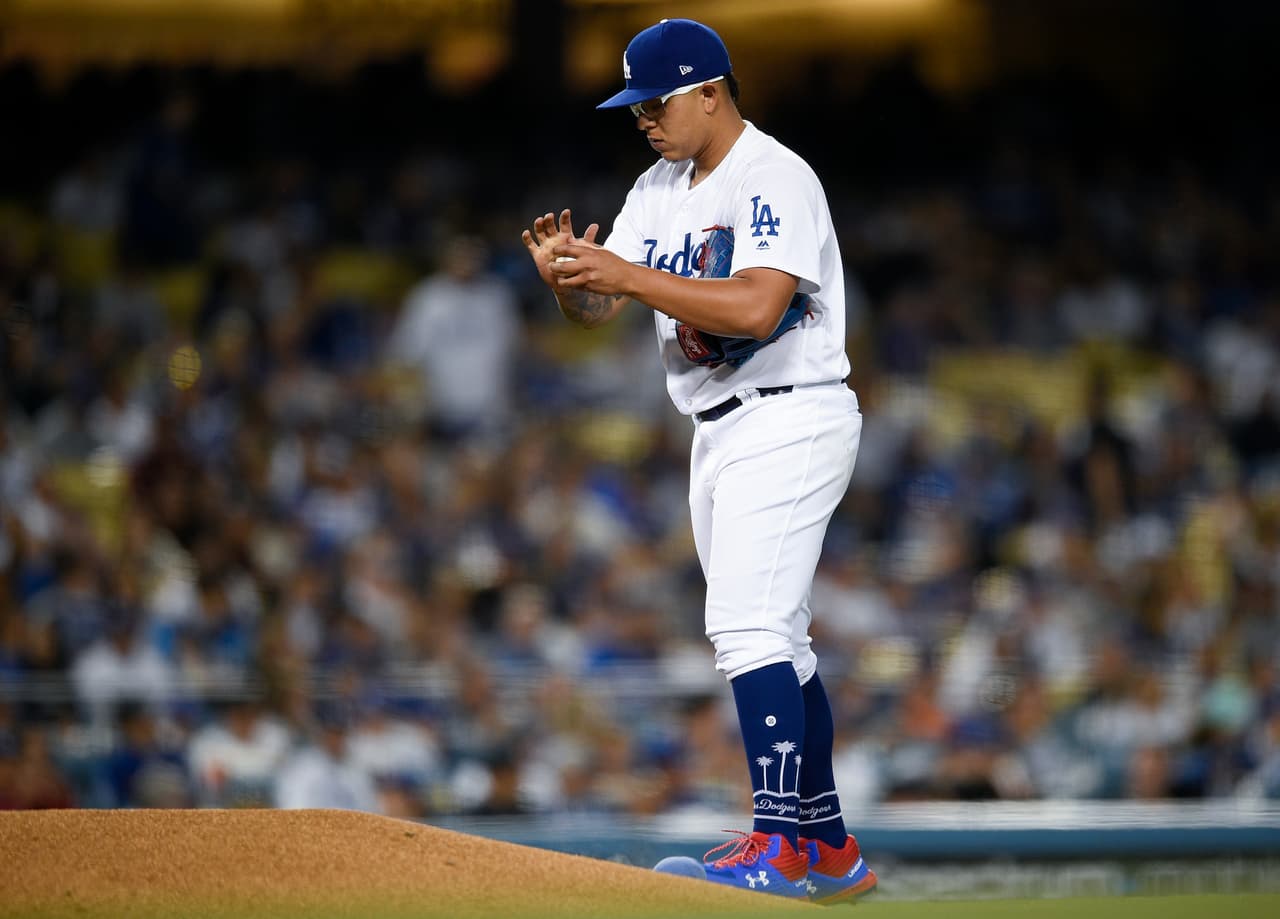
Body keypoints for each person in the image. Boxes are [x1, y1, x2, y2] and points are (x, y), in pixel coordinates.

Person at [521, 17, 876, 903]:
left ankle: (778, 844)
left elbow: (756, 308)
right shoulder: (659, 185)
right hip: (717, 427)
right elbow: (607, 310)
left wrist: (625, 276)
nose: (642, 118)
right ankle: (830, 848)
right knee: (777, 638)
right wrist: (573, 287)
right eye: (634, 106)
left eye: (656, 101)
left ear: (710, 91)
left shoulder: (775, 174)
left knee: (745, 630)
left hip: (788, 413)